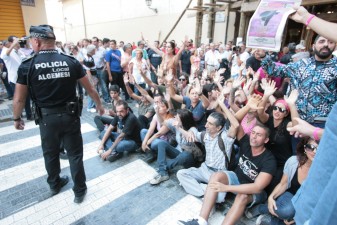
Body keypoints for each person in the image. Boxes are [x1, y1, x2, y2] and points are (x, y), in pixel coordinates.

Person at [13, 25, 104, 204]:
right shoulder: (70, 61)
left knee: (51, 153)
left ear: (37, 41)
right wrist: (100, 106)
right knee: (75, 154)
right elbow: (91, 88)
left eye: (31, 41)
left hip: (47, 119)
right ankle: (79, 190)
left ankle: (55, 183)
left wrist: (17, 118)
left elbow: (18, 99)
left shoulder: (28, 65)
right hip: (70, 116)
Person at [279, 6, 337, 225]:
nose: (326, 44)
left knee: (318, 170)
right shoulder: (300, 64)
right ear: (313, 44)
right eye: (322, 41)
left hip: (324, 127)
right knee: (296, 161)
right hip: (300, 122)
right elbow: (277, 70)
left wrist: (308, 18)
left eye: (330, 41)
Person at [178, 122, 277, 225]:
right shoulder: (246, 143)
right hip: (237, 179)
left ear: (266, 140)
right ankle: (201, 221)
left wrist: (226, 188)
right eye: (253, 133)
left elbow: (257, 187)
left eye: (259, 135)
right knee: (217, 175)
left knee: (242, 197)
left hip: (255, 192)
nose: (254, 137)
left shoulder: (269, 160)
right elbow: (235, 122)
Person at [176, 97, 239, 201]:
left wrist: (222, 104)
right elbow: (191, 135)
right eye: (207, 122)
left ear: (218, 128)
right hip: (204, 169)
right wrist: (179, 128)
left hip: (218, 174)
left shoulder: (225, 137)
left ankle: (203, 190)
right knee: (181, 174)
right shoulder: (204, 135)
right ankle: (206, 192)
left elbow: (235, 125)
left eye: (210, 124)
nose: (205, 125)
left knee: (219, 198)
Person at [249, 137, 318, 225]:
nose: (315, 151)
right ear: (305, 148)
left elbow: (318, 202)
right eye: (311, 147)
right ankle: (261, 209)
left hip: (307, 205)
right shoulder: (294, 162)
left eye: (319, 148)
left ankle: (270, 219)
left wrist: (298, 217)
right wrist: (271, 198)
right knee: (286, 211)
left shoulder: (324, 173)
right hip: (290, 197)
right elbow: (283, 184)